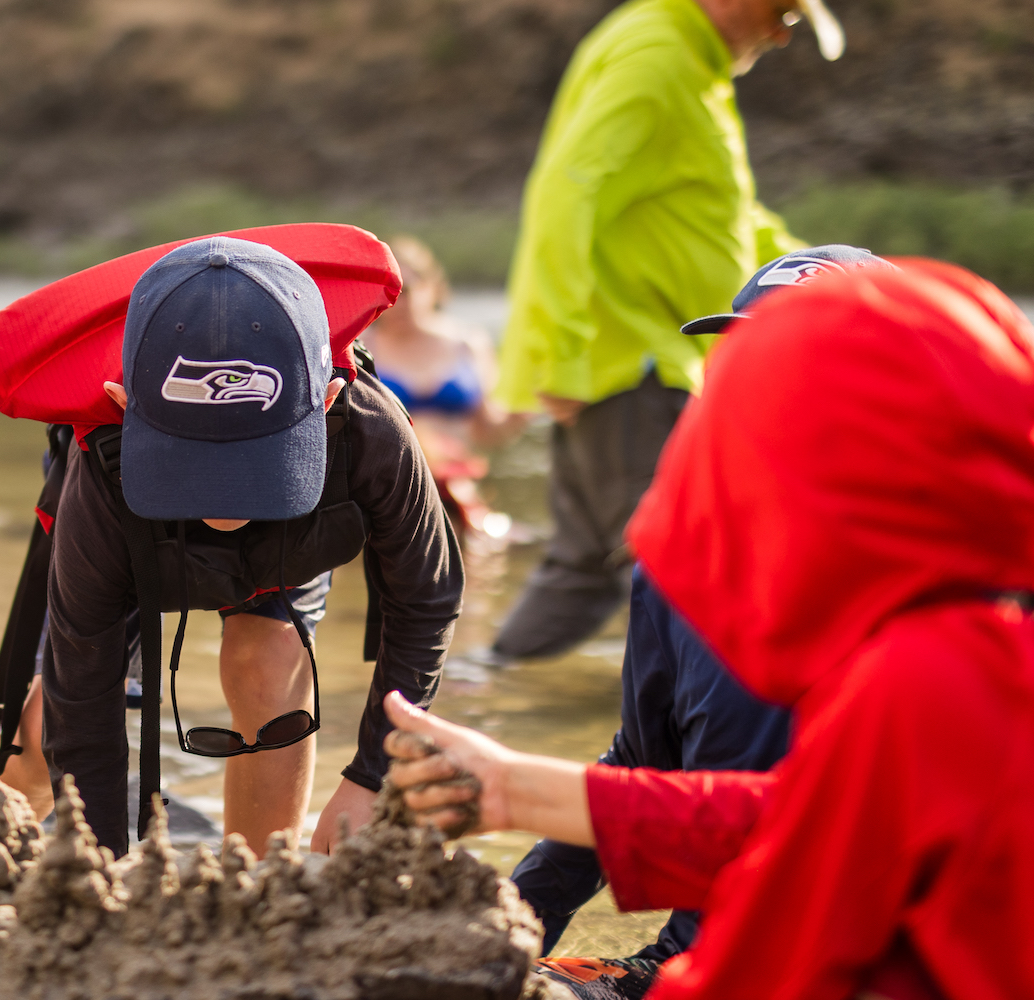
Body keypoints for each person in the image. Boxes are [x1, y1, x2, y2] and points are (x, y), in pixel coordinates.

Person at [383, 259, 1034, 1000]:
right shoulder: (682, 576)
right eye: (748, 369)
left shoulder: (969, 646)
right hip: (710, 950)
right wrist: (509, 904)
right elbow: (756, 804)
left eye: (802, 374)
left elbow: (823, 853)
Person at [508, 245, 894, 997]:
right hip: (694, 967)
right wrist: (514, 916)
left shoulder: (970, 577)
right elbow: (642, 767)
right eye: (743, 354)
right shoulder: (677, 565)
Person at [6, 236, 463, 855]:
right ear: (123, 409)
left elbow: (426, 600)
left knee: (266, 660)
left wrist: (373, 779)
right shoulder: (104, 472)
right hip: (144, 541)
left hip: (289, 542)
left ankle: (257, 883)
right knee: (44, 724)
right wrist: (101, 876)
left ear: (327, 399)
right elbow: (82, 695)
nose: (227, 501)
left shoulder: (371, 433)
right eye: (199, 466)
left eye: (253, 467)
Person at [489, 0, 846, 660]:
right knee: (672, 569)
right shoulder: (659, 54)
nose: (780, 36)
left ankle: (470, 702)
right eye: (781, 16)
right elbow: (566, 190)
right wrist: (560, 357)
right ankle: (688, 744)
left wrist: (843, 278)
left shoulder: (691, 63)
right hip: (636, 365)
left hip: (634, 365)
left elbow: (722, 214)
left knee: (584, 573)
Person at [364, 236, 527, 536]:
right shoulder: (361, 349)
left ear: (431, 287)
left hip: (457, 487)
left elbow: (489, 431)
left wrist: (524, 405)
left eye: (406, 290)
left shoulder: (467, 343)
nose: (396, 303)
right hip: (387, 491)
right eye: (386, 293)